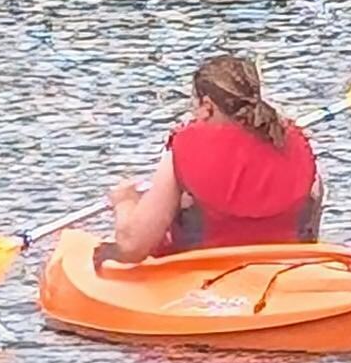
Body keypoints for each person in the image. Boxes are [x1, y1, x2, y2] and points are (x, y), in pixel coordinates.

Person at [107, 51, 322, 263]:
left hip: (206, 272)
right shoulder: (296, 141)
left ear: (207, 106)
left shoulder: (185, 146)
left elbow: (132, 247)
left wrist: (125, 202)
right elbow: (310, 227)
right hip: (287, 268)